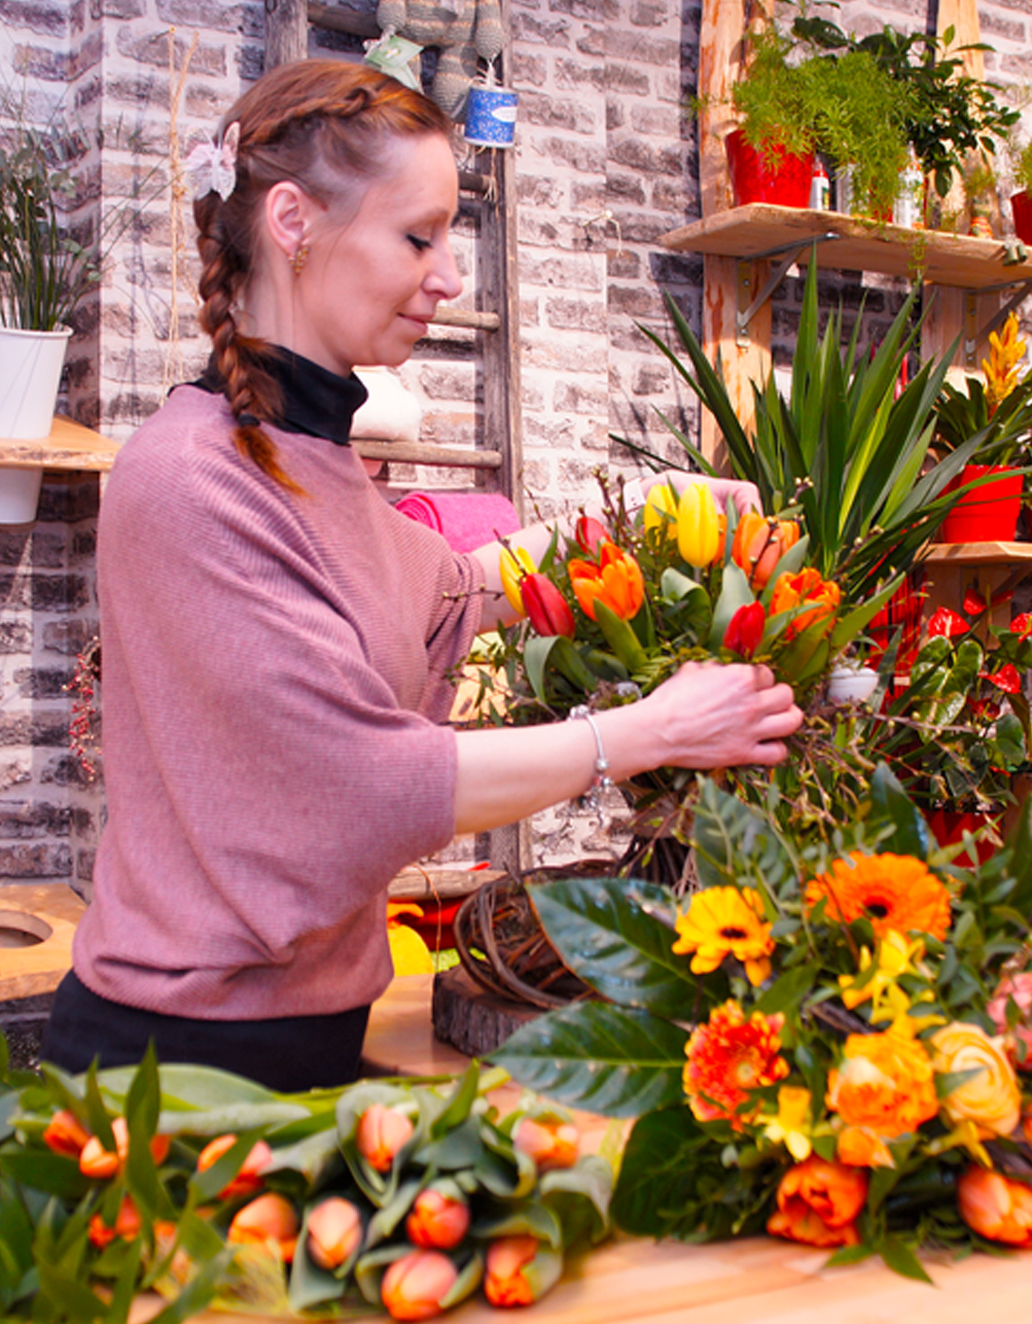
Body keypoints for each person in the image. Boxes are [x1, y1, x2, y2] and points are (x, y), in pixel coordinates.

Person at [39, 60, 802, 1092]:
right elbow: (357, 783)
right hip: (174, 1064)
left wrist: (648, 512)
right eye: (419, 235)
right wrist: (644, 734)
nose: (449, 276)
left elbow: (454, 588)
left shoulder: (317, 461)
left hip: (299, 1041)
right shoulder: (190, 479)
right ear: (294, 219)